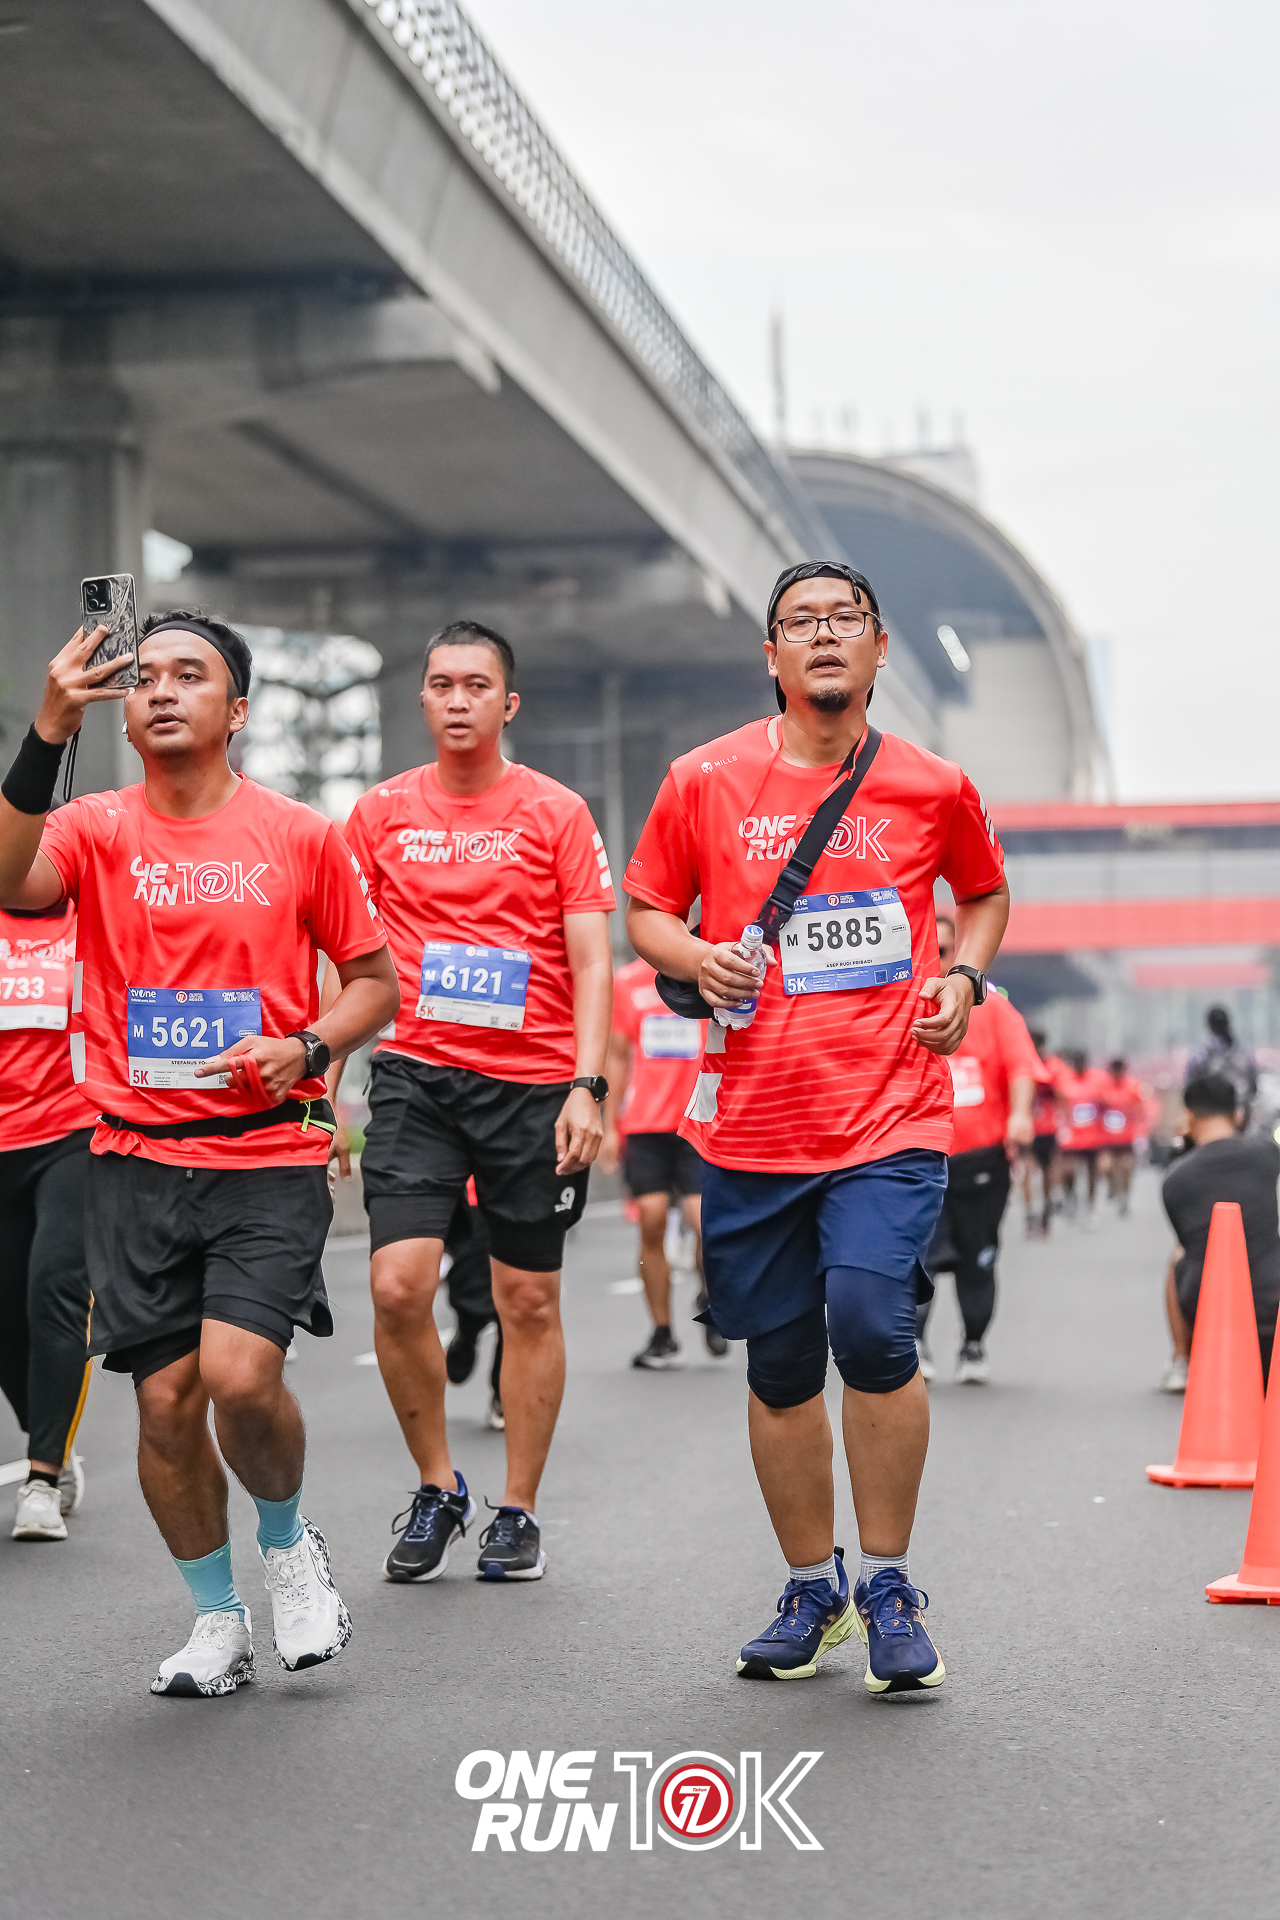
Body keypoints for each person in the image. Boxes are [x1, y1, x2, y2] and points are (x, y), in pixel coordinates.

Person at [625, 559, 1009, 1695]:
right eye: (802, 621)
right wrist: (698, 956)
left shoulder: (933, 785)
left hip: (889, 1112)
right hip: (751, 1124)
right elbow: (646, 910)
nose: (825, 634)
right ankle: (812, 1589)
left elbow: (984, 892)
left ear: (879, 647)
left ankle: (887, 1584)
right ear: (772, 655)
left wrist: (963, 978)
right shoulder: (701, 780)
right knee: (782, 1363)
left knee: (873, 1329)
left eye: (846, 618)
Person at [0, 610, 399, 1697]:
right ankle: (217, 1621)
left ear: (239, 710)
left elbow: (374, 983)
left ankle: (289, 1546)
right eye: (146, 679)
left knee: (237, 1374)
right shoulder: (92, 826)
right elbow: (9, 877)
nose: (164, 690)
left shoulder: (300, 836)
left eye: (192, 675)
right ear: (124, 714)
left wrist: (307, 1046)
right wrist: (46, 728)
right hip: (132, 1157)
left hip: (265, 1151)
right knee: (167, 1402)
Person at [332, 620, 613, 1585]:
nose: (458, 700)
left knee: (526, 1297)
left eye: (477, 685)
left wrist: (586, 1084)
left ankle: (518, 1509)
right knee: (397, 1286)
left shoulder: (556, 812)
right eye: (442, 684)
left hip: (532, 1086)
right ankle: (437, 1486)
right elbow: (344, 957)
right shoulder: (377, 814)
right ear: (422, 699)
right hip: (416, 1075)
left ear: (508, 702)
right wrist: (323, 1090)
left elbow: (590, 959)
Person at [0, 896, 94, 1540]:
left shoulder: (89, 913)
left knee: (52, 1291)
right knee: (6, 1312)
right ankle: (49, 1433)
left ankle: (43, 1476)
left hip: (70, 1133)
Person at [915, 915, 1037, 1385]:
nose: (937, 960)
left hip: (980, 1160)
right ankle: (915, 1344)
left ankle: (973, 1345)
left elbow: (1021, 1065)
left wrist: (1020, 1114)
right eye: (929, 949)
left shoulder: (994, 1009)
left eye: (945, 951)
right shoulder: (898, 1005)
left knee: (978, 1257)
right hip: (917, 1155)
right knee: (914, 1258)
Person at [600, 954, 726, 1368]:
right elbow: (618, 1054)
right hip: (645, 1124)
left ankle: (709, 1296)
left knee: (703, 1222)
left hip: (698, 1120)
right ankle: (661, 1332)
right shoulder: (628, 982)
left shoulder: (704, 967)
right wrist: (610, 1125)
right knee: (651, 1218)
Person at [1159, 1074, 1280, 1394]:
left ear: (1188, 1117)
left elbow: (1189, 1243)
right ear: (1238, 1115)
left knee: (1178, 1254)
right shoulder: (1269, 1153)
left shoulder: (1176, 1178)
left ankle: (1181, 1360)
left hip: (1211, 1311)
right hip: (1274, 1306)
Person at [441, 1187, 505, 1430]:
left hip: (513, 1190)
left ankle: (502, 1395)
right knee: (474, 1298)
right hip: (469, 1197)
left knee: (514, 1310)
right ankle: (466, 1335)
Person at [1017, 1028, 1063, 1237]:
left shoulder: (1052, 1065)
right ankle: (1029, 1214)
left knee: (1046, 1170)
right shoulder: (1020, 1063)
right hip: (1026, 1126)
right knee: (1025, 1169)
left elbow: (1062, 1095)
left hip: (1047, 1127)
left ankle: (1045, 1210)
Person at [1056, 1049, 1109, 1225]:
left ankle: (1091, 1204)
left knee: (1092, 1172)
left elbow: (1106, 1105)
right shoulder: (1063, 1079)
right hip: (1071, 1137)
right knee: (1068, 1170)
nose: (1079, 1065)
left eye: (1082, 1062)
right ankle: (1070, 1196)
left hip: (1093, 1136)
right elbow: (1058, 1104)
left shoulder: (1099, 1079)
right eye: (1076, 1062)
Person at [1186, 1006, 1257, 1127]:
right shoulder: (1204, 1055)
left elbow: (1190, 1086)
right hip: (1219, 1113)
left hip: (1226, 1113)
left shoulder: (1202, 1055)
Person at [1098, 1056, 1146, 1216]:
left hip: (1127, 1136)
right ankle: (1113, 1186)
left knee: (1126, 1169)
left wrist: (1139, 1130)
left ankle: (1124, 1196)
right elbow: (1097, 1109)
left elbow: (1140, 1110)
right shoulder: (1103, 1087)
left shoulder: (1133, 1086)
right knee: (1108, 1167)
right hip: (1107, 1136)